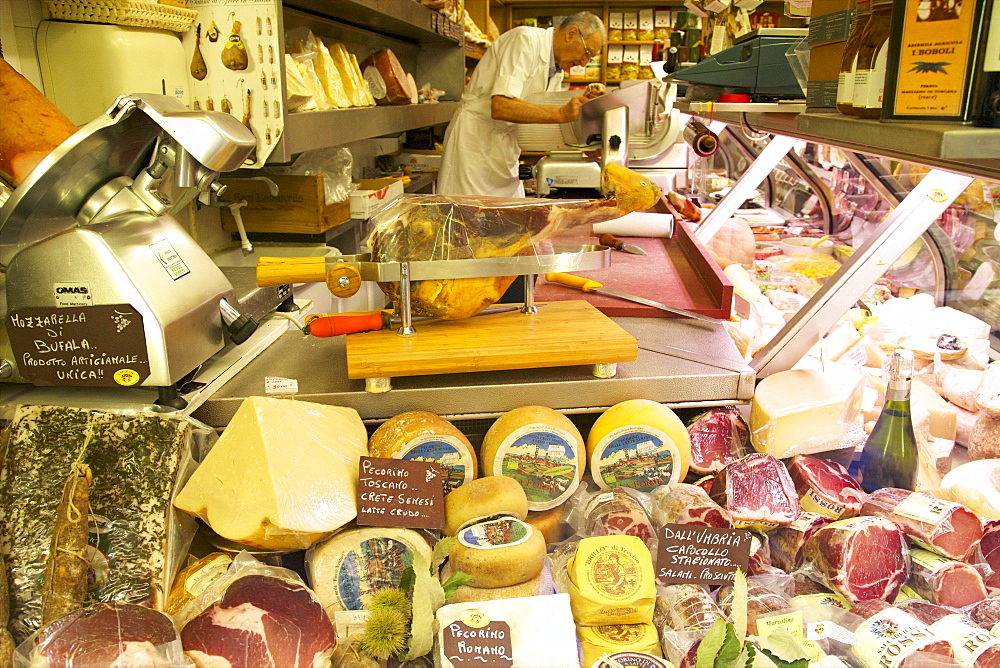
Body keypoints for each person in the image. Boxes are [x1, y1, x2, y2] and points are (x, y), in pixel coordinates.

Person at [437, 12, 606, 197]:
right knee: (467, 218)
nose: (583, 63)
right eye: (587, 53)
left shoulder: (556, 70)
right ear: (571, 33)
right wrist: (561, 113)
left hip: (505, 152)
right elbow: (501, 106)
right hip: (474, 146)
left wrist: (582, 145)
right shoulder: (524, 40)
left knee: (507, 218)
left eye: (589, 59)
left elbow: (539, 117)